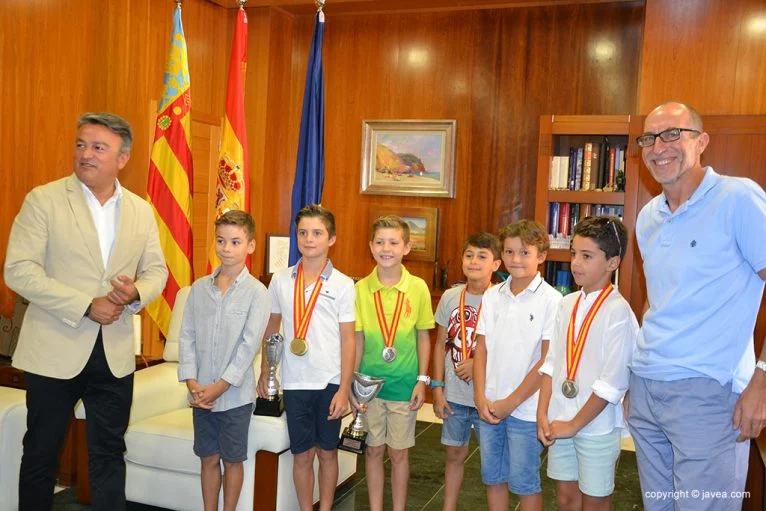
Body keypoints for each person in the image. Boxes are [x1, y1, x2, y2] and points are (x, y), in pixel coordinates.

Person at [3, 112, 168, 510]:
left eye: (98, 147)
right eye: (81, 144)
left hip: (113, 354)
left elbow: (157, 271)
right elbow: (18, 270)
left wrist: (134, 295)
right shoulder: (44, 199)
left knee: (109, 454)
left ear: (122, 158)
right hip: (53, 349)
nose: (86, 154)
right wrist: (84, 306)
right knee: (41, 454)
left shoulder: (142, 211)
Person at [631, 101, 766, 510]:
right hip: (646, 388)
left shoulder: (737, 198)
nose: (659, 147)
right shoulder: (648, 216)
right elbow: (659, 302)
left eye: (673, 133)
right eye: (649, 138)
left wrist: (762, 379)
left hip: (707, 394)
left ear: (701, 141)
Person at [256, 204, 355, 511]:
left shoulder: (343, 283)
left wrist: (344, 388)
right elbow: (272, 328)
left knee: (327, 452)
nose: (309, 239)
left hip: (329, 381)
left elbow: (348, 339)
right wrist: (265, 372)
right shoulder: (281, 279)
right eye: (303, 233)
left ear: (332, 239)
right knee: (302, 454)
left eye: (317, 233)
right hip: (294, 381)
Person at [537, 216, 638, 511]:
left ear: (612, 262)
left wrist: (574, 425)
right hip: (560, 419)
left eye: (587, 256)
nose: (576, 263)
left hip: (595, 427)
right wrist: (543, 414)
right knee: (566, 499)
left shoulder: (618, 312)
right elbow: (551, 365)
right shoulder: (566, 304)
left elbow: (612, 384)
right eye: (573, 254)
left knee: (595, 501)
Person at [177, 210, 270, 511]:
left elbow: (249, 346)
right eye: (221, 241)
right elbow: (186, 337)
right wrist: (193, 383)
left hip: (234, 397)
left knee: (232, 459)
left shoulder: (257, 293)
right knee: (208, 458)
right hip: (201, 393)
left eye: (235, 242)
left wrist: (221, 386)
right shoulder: (198, 289)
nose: (226, 249)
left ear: (250, 246)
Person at [473, 219, 562, 511]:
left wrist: (511, 402)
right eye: (509, 252)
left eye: (525, 252)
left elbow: (547, 360)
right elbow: (482, 348)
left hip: (525, 409)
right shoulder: (492, 295)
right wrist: (479, 396)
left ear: (541, 255)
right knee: (493, 478)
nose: (515, 259)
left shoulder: (552, 300)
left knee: (525, 483)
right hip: (489, 403)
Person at [354, 215, 435, 511]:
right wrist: (354, 385)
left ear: (407, 247)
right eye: (379, 242)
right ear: (370, 247)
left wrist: (422, 380)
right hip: (368, 388)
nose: (385, 248)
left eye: (393, 242)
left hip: (404, 386)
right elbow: (358, 340)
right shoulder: (361, 289)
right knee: (373, 451)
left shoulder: (418, 288)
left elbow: (424, 337)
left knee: (399, 454)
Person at [431, 232, 501, 511]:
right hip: (455, 396)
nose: (474, 261)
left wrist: (478, 363)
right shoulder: (450, 297)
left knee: (492, 463)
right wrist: (437, 388)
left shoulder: (501, 299)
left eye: (482, 256)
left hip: (488, 398)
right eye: (469, 255)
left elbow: (509, 347)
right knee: (454, 455)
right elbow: (439, 344)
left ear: (496, 264)